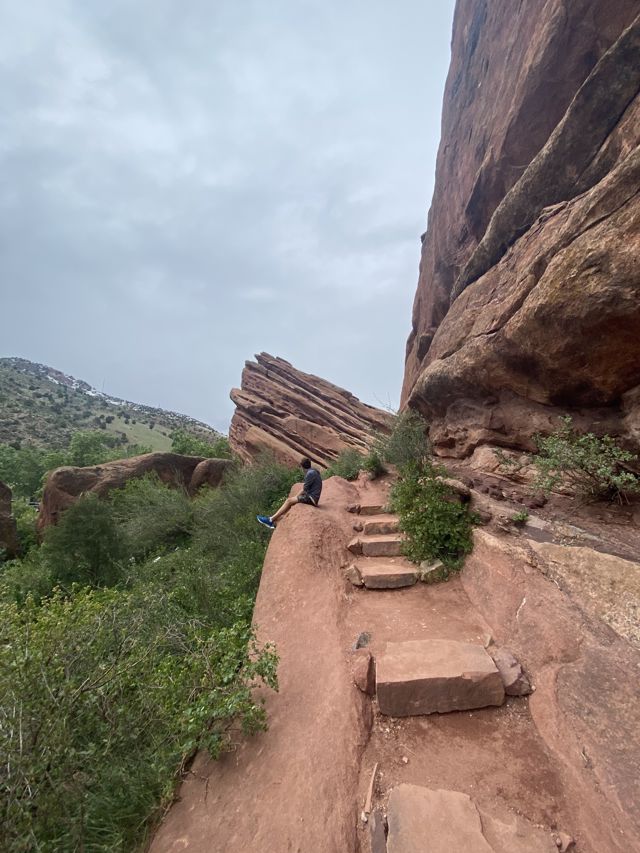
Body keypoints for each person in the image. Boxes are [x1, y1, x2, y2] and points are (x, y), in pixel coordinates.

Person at [257, 457, 322, 529]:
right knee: (291, 502)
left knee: (289, 501)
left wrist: (295, 497)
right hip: (313, 497)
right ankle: (276, 522)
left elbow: (304, 489)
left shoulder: (310, 474)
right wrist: (295, 498)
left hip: (311, 499)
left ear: (302, 467)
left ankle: (270, 520)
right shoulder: (313, 471)